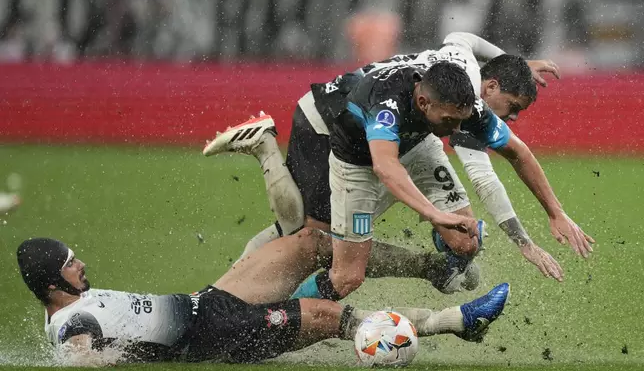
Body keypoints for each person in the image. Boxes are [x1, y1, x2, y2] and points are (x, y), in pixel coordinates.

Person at [204, 33, 593, 292]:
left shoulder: (464, 96)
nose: (458, 132)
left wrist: (555, 213)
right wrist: (434, 214)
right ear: (426, 103)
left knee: (467, 239)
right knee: (309, 237)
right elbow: (385, 168)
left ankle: (436, 262)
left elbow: (518, 151)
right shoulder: (388, 105)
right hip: (330, 127)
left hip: (411, 138)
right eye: (513, 106)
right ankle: (264, 149)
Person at [16, 231, 509, 366]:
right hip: (210, 336)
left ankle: (436, 269)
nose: (80, 265)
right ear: (51, 281)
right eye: (70, 262)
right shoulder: (68, 323)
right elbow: (79, 357)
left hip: (204, 304)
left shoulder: (77, 299)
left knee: (308, 244)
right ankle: (457, 321)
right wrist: (122, 359)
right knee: (329, 316)